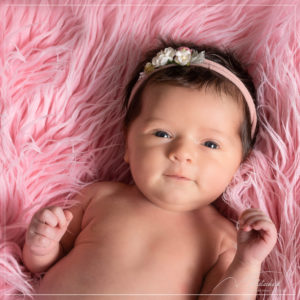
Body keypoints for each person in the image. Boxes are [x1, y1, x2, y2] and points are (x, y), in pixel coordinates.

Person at [22, 39, 277, 300]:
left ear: (239, 163)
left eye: (210, 143)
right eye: (162, 133)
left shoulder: (222, 238)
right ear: (128, 144)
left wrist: (247, 263)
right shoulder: (99, 198)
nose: (182, 153)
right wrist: (42, 245)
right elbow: (39, 266)